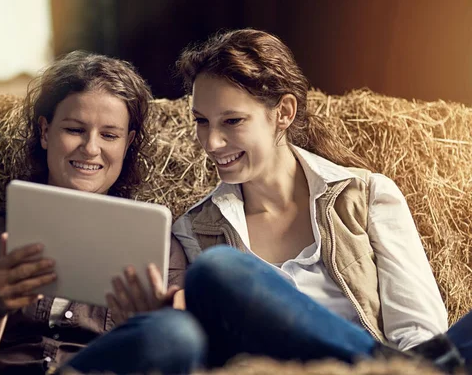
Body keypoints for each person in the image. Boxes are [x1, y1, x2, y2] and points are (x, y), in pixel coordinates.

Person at [164, 28, 470, 372]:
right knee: (216, 270)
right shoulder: (193, 230)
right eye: (201, 122)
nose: (212, 142)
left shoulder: (366, 195)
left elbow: (419, 331)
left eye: (232, 121)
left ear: (284, 112)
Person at [0, 51, 203, 375]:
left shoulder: (159, 248)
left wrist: (145, 332)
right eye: (75, 129)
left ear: (128, 144)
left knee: (177, 332)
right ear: (45, 132)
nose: (90, 148)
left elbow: (179, 349)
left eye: (109, 135)